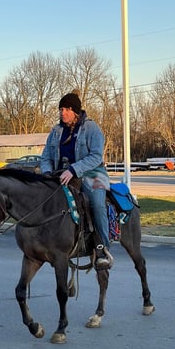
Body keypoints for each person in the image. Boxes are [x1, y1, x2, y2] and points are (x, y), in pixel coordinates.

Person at [40, 91, 113, 270]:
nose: (62, 112)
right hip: (62, 175)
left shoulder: (92, 128)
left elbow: (96, 156)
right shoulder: (56, 131)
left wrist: (74, 169)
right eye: (61, 109)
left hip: (94, 174)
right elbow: (45, 157)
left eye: (66, 109)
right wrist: (48, 173)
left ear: (75, 111)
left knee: (97, 203)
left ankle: (102, 249)